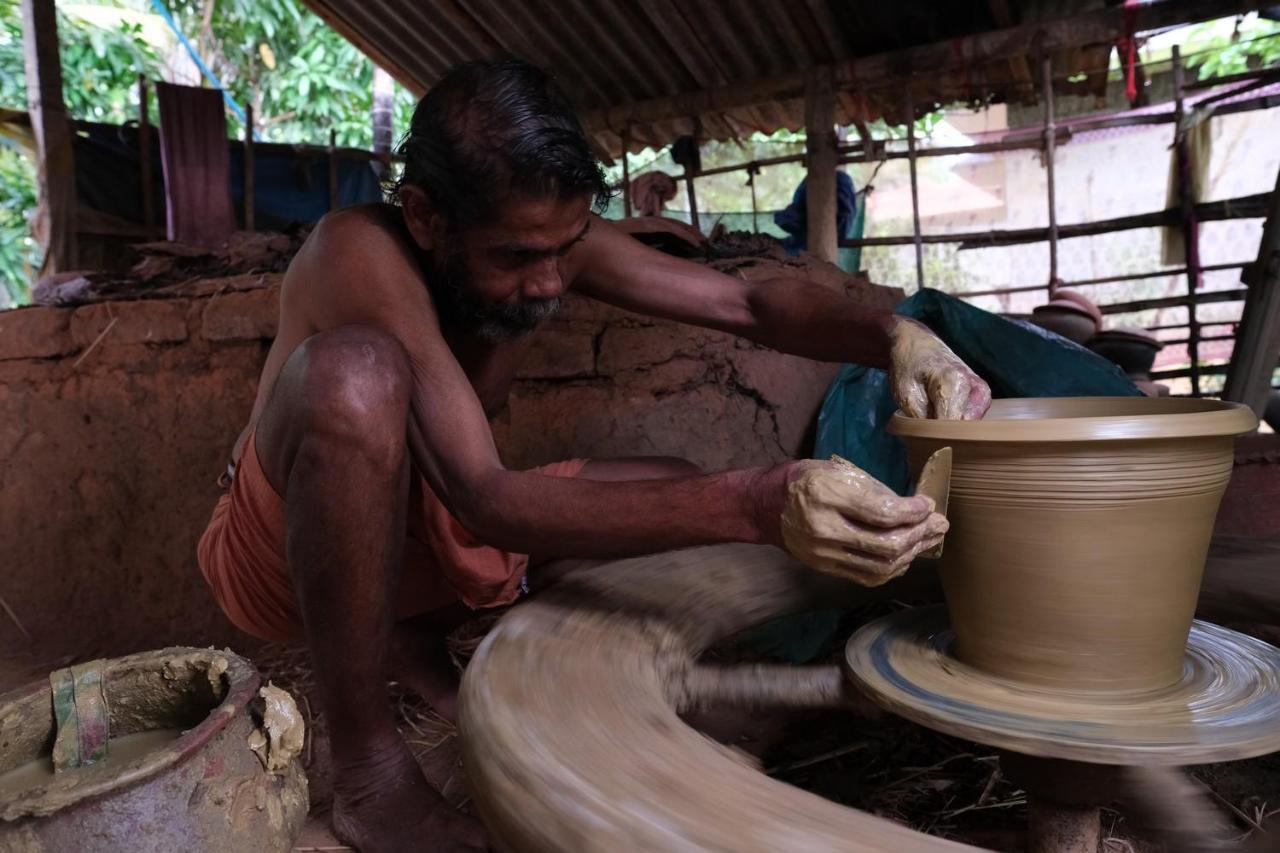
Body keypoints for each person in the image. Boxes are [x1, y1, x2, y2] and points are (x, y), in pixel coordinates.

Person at [196, 58, 990, 853]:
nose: (549, 282)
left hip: (432, 537)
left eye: (566, 246)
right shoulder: (357, 253)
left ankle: (419, 636)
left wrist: (895, 336)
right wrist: (761, 500)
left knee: (669, 494)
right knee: (357, 377)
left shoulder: (551, 242)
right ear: (426, 214)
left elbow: (748, 303)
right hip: (282, 561)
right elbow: (482, 494)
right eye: (515, 258)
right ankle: (371, 770)